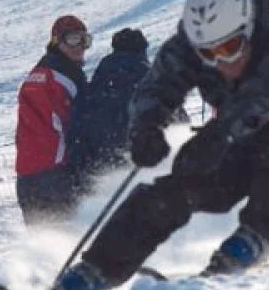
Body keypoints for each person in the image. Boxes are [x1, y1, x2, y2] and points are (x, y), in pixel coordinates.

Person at [45, 0, 269, 290]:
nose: (220, 62)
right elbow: (159, 83)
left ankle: (254, 238)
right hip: (243, 141)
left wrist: (218, 134)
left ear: (248, 29)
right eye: (207, 54)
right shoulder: (196, 41)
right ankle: (99, 267)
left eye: (229, 48)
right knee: (176, 183)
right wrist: (146, 127)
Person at [65, 28, 189, 197]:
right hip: (140, 172)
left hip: (99, 176)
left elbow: (76, 131)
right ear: (142, 51)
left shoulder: (94, 87)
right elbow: (180, 126)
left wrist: (79, 180)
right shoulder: (152, 83)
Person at [15, 14, 90, 226]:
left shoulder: (38, 73)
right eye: (74, 39)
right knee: (71, 243)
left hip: (27, 177)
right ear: (57, 41)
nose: (81, 47)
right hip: (56, 177)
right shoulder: (67, 78)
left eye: (85, 40)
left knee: (45, 247)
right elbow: (79, 129)